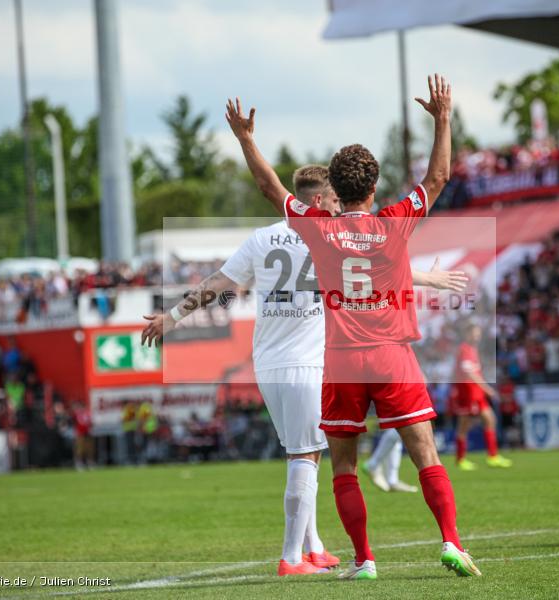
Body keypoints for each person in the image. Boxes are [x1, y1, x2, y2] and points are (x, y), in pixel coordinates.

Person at [141, 165, 466, 576]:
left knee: (305, 450)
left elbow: (217, 282)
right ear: (319, 200)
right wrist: (428, 280)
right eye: (332, 200)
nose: (336, 206)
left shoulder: (262, 239)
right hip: (310, 362)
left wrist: (172, 317)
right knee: (306, 455)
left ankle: (315, 547)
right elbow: (372, 264)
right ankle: (292, 557)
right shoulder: (323, 235)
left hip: (268, 362)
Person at [224, 74, 482, 579]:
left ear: (335, 190)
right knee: (423, 451)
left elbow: (268, 187)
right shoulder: (393, 222)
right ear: (373, 186)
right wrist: (444, 119)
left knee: (343, 465)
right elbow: (439, 177)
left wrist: (246, 139)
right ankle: (451, 542)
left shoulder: (317, 228)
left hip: (340, 359)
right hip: (391, 354)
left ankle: (364, 559)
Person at [451, 323, 511, 470]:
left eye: (478, 333)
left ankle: (493, 456)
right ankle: (460, 459)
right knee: (464, 425)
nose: (477, 336)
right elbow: (469, 374)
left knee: (490, 419)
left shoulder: (472, 350)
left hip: (476, 393)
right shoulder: (464, 349)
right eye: (475, 333)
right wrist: (487, 388)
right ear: (467, 334)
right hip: (468, 392)